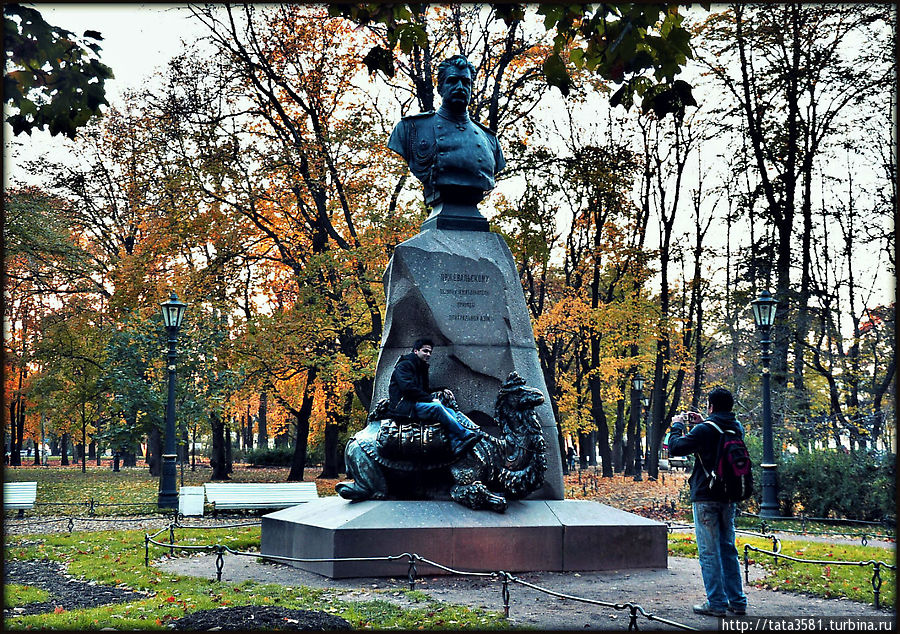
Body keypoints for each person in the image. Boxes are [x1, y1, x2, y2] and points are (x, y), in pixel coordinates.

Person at [668, 387, 748, 618]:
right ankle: (737, 601)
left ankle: (716, 603)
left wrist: (677, 425)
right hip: (729, 496)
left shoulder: (704, 430)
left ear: (711, 405)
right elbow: (717, 435)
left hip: (706, 496)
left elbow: (675, 448)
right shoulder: (736, 427)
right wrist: (706, 421)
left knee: (709, 552)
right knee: (728, 548)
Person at [387, 54, 505, 209]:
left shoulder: (490, 140)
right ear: (440, 88)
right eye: (453, 81)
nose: (460, 87)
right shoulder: (410, 129)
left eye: (466, 82)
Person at [388, 338, 480, 455]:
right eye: (425, 351)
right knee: (436, 407)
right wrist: (430, 399)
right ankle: (464, 434)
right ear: (416, 351)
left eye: (430, 352)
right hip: (404, 407)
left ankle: (456, 442)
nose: (428, 354)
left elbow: (424, 390)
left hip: (414, 403)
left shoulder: (421, 367)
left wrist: (442, 389)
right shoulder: (404, 365)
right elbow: (408, 389)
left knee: (450, 411)